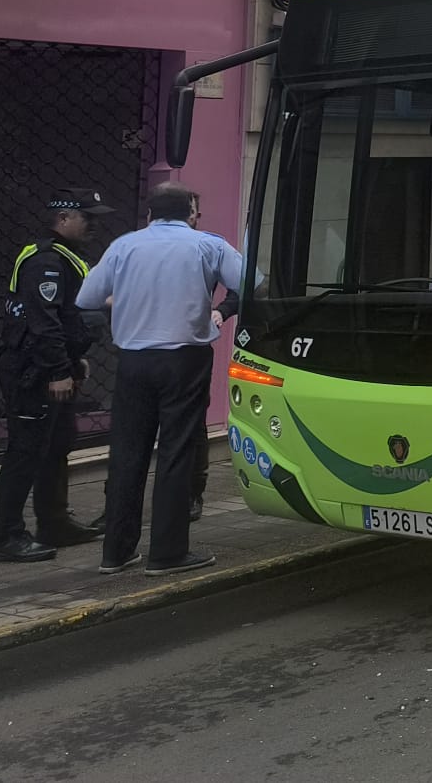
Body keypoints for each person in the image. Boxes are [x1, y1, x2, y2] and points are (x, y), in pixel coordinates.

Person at [77, 182, 242, 574]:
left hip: (133, 360)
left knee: (127, 453)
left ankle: (116, 552)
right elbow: (252, 282)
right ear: (190, 214)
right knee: (176, 452)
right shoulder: (209, 245)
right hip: (185, 360)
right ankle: (167, 553)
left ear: (149, 215)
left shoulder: (124, 246)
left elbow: (86, 298)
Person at [0, 190, 115, 562]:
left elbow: (68, 317)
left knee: (57, 444)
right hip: (33, 371)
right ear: (63, 219)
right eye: (87, 217)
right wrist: (59, 369)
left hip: (49, 366)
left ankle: (54, 522)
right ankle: (6, 536)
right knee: (25, 451)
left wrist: (73, 363)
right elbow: (44, 323)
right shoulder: (45, 261)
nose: (93, 224)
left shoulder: (65, 258)